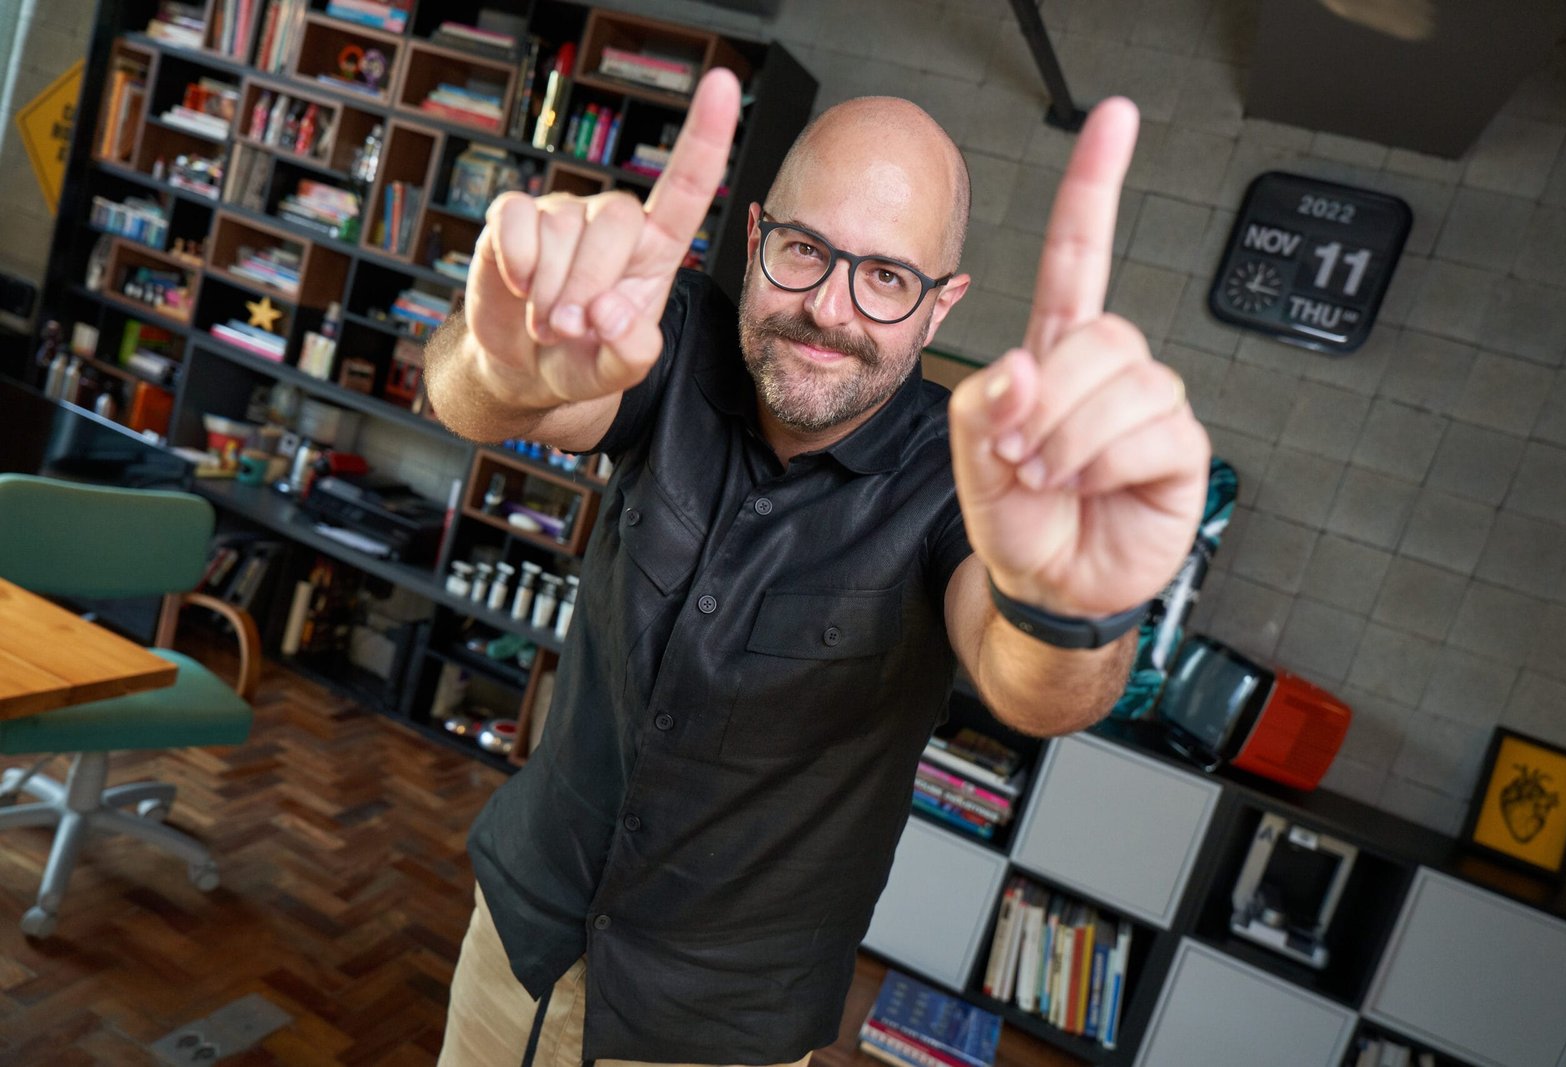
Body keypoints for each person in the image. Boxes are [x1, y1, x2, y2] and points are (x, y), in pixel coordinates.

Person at [425, 67, 1209, 1067]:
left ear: (940, 306)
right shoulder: (669, 335)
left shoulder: (966, 479)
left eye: (886, 277)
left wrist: (1070, 611)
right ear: (756, 237)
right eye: (804, 250)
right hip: (522, 935)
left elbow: (1032, 684)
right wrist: (496, 366)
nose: (830, 308)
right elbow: (497, 398)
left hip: (722, 1030)